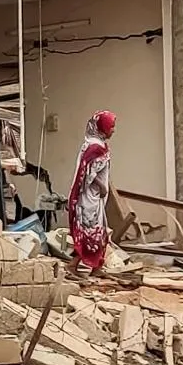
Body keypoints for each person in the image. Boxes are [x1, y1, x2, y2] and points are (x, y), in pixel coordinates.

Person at [67, 110, 117, 277]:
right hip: (89, 200)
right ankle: (73, 265)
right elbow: (88, 173)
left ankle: (97, 268)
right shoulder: (95, 148)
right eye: (111, 126)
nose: (113, 130)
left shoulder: (95, 144)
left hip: (95, 199)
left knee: (99, 233)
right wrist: (102, 186)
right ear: (102, 127)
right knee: (91, 234)